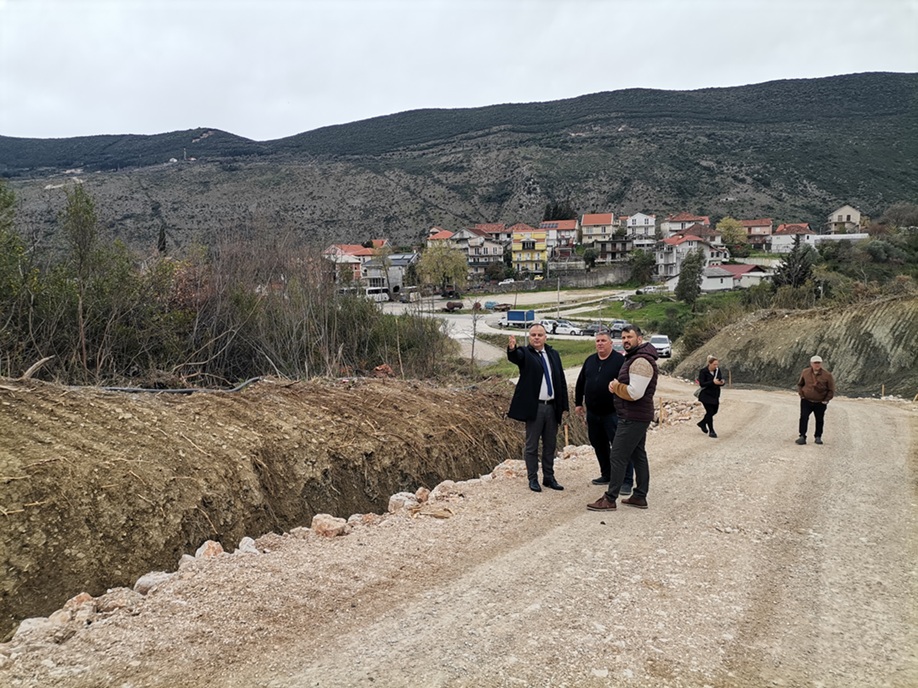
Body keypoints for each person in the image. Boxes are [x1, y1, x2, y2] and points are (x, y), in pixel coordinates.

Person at [587, 325, 659, 511]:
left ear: (639, 339)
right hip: (636, 415)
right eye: (624, 337)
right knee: (638, 454)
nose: (626, 340)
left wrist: (615, 386)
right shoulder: (635, 358)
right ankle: (639, 496)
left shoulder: (641, 361)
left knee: (618, 455)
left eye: (630, 337)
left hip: (633, 416)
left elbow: (635, 393)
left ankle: (610, 499)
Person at [507, 324, 569, 492]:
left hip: (552, 407)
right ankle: (533, 478)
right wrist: (512, 349)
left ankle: (549, 477)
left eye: (539, 335)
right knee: (532, 446)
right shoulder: (525, 353)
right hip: (535, 408)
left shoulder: (553, 354)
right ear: (529, 337)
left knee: (550, 445)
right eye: (533, 334)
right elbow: (516, 357)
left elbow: (561, 380)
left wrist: (564, 406)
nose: (536, 337)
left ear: (545, 337)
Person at [574, 330, 636, 494]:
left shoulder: (620, 361)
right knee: (598, 444)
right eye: (598, 341)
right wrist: (578, 403)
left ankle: (626, 480)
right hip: (593, 413)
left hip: (613, 413)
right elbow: (581, 382)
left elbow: (627, 385)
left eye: (603, 340)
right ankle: (607, 474)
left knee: (620, 447)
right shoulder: (590, 361)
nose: (600, 343)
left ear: (610, 343)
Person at [796, 355, 835, 445]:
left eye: (819, 363)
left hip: (820, 402)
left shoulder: (827, 375)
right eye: (815, 363)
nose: (817, 364)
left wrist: (826, 400)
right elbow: (800, 384)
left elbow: (831, 389)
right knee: (803, 418)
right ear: (811, 363)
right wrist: (802, 395)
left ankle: (818, 437)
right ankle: (802, 436)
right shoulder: (805, 372)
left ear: (821, 364)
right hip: (806, 400)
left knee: (819, 419)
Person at [696, 355, 725, 438]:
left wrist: (722, 382)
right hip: (706, 395)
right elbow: (702, 383)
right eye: (714, 364)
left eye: (717, 364)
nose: (716, 366)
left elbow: (720, 379)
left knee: (714, 411)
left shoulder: (718, 370)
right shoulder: (703, 371)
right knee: (709, 412)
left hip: (715, 395)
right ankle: (711, 431)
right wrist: (712, 382)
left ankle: (702, 423)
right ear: (709, 364)